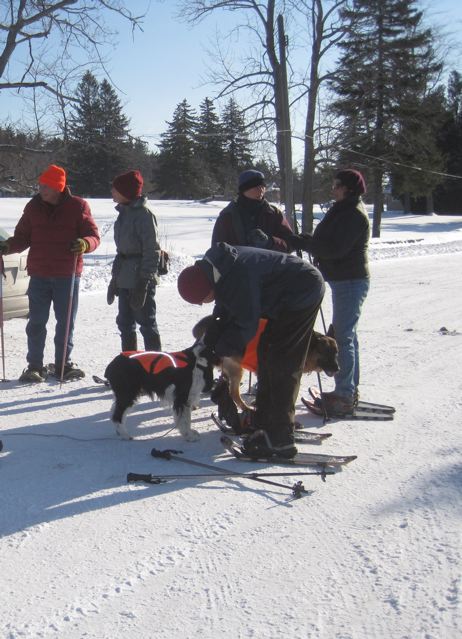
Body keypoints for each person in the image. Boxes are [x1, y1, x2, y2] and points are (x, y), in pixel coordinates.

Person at [177, 242, 325, 459]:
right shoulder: (219, 269)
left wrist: (221, 353)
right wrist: (214, 344)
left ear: (207, 288)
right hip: (282, 296)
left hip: (303, 292)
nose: (203, 305)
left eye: (201, 301)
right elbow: (225, 310)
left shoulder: (238, 277)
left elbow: (246, 323)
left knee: (282, 361)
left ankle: (278, 439)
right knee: (267, 354)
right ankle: (265, 420)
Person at [0, 164, 100, 383]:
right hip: (40, 274)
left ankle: (63, 363)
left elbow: (94, 236)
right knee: (36, 321)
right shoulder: (33, 207)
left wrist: (85, 243)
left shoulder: (78, 206)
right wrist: (8, 246)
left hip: (67, 274)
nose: (41, 189)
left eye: (46, 186)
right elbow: (22, 237)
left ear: (58, 187)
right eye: (40, 185)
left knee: (65, 323)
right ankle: (34, 366)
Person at [295, 168, 370, 416]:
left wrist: (304, 243)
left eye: (337, 184)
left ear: (348, 188)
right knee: (348, 335)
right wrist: (305, 240)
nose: (333, 188)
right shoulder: (342, 209)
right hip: (342, 279)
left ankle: (345, 394)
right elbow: (325, 242)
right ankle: (349, 389)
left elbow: (335, 249)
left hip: (350, 280)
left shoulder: (354, 215)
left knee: (344, 336)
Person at [107, 170, 162, 352]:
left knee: (147, 323)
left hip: (139, 277)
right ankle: (130, 364)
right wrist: (115, 279)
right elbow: (122, 252)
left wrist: (144, 281)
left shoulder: (144, 215)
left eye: (116, 189)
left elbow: (152, 250)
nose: (112, 192)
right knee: (125, 323)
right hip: (125, 277)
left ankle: (155, 367)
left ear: (126, 192)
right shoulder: (123, 213)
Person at [211, 169, 296, 252]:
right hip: (238, 265)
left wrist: (270, 242)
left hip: (270, 265)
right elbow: (217, 251)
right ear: (244, 190)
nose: (261, 190)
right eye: (256, 187)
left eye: (263, 186)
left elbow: (290, 244)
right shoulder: (227, 216)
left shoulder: (274, 213)